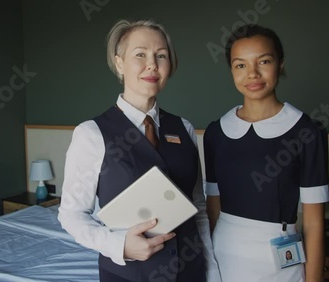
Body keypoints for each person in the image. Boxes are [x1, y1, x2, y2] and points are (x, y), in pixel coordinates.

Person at [58, 19, 220, 282]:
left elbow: (198, 208)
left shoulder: (184, 128)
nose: (152, 65)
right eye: (140, 54)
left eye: (161, 56)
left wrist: (211, 270)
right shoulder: (91, 133)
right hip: (129, 274)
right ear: (119, 63)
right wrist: (118, 245)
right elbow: (71, 214)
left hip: (190, 271)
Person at [204, 24, 329, 282]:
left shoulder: (306, 132)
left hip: (280, 265)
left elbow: (315, 224)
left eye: (264, 61)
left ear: (280, 64)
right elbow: (212, 209)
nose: (253, 74)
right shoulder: (216, 132)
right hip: (223, 259)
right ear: (231, 70)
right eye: (240, 65)